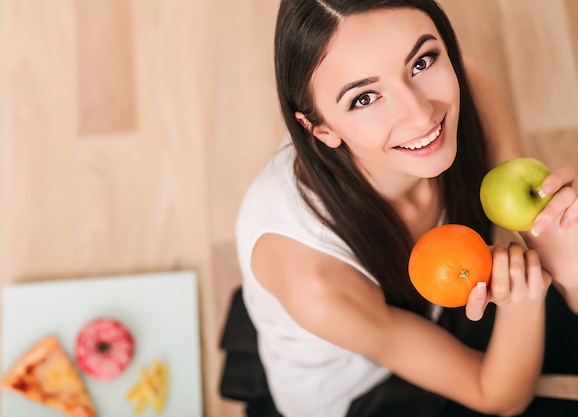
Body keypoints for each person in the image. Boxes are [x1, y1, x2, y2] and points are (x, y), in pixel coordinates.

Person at [233, 1, 578, 416]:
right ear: (320, 128)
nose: (420, 116)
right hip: (366, 385)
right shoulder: (317, 283)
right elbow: (499, 397)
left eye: (421, 62)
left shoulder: (471, 94)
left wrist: (569, 269)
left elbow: (552, 260)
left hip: (437, 299)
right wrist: (523, 301)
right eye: (365, 98)